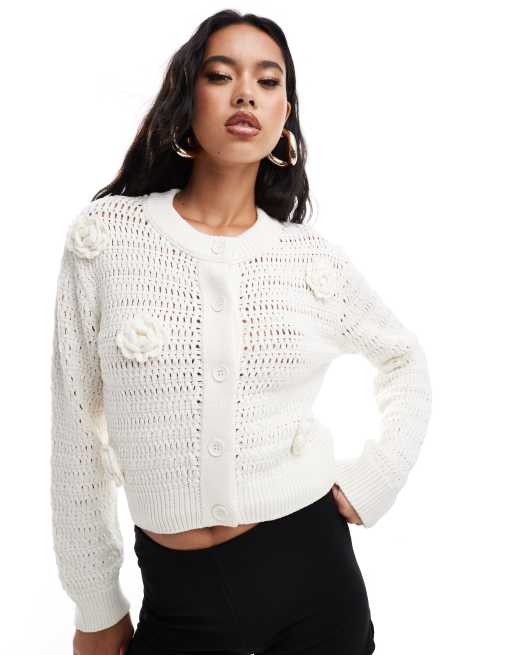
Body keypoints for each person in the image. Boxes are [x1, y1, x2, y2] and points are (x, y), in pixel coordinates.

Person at [50, 9, 432, 655]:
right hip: (176, 598)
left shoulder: (309, 260)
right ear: (185, 97)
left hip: (314, 578)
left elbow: (404, 359)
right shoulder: (107, 238)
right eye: (220, 75)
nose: (245, 94)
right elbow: (75, 430)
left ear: (285, 114)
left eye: (267, 80)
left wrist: (377, 477)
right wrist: (95, 604)